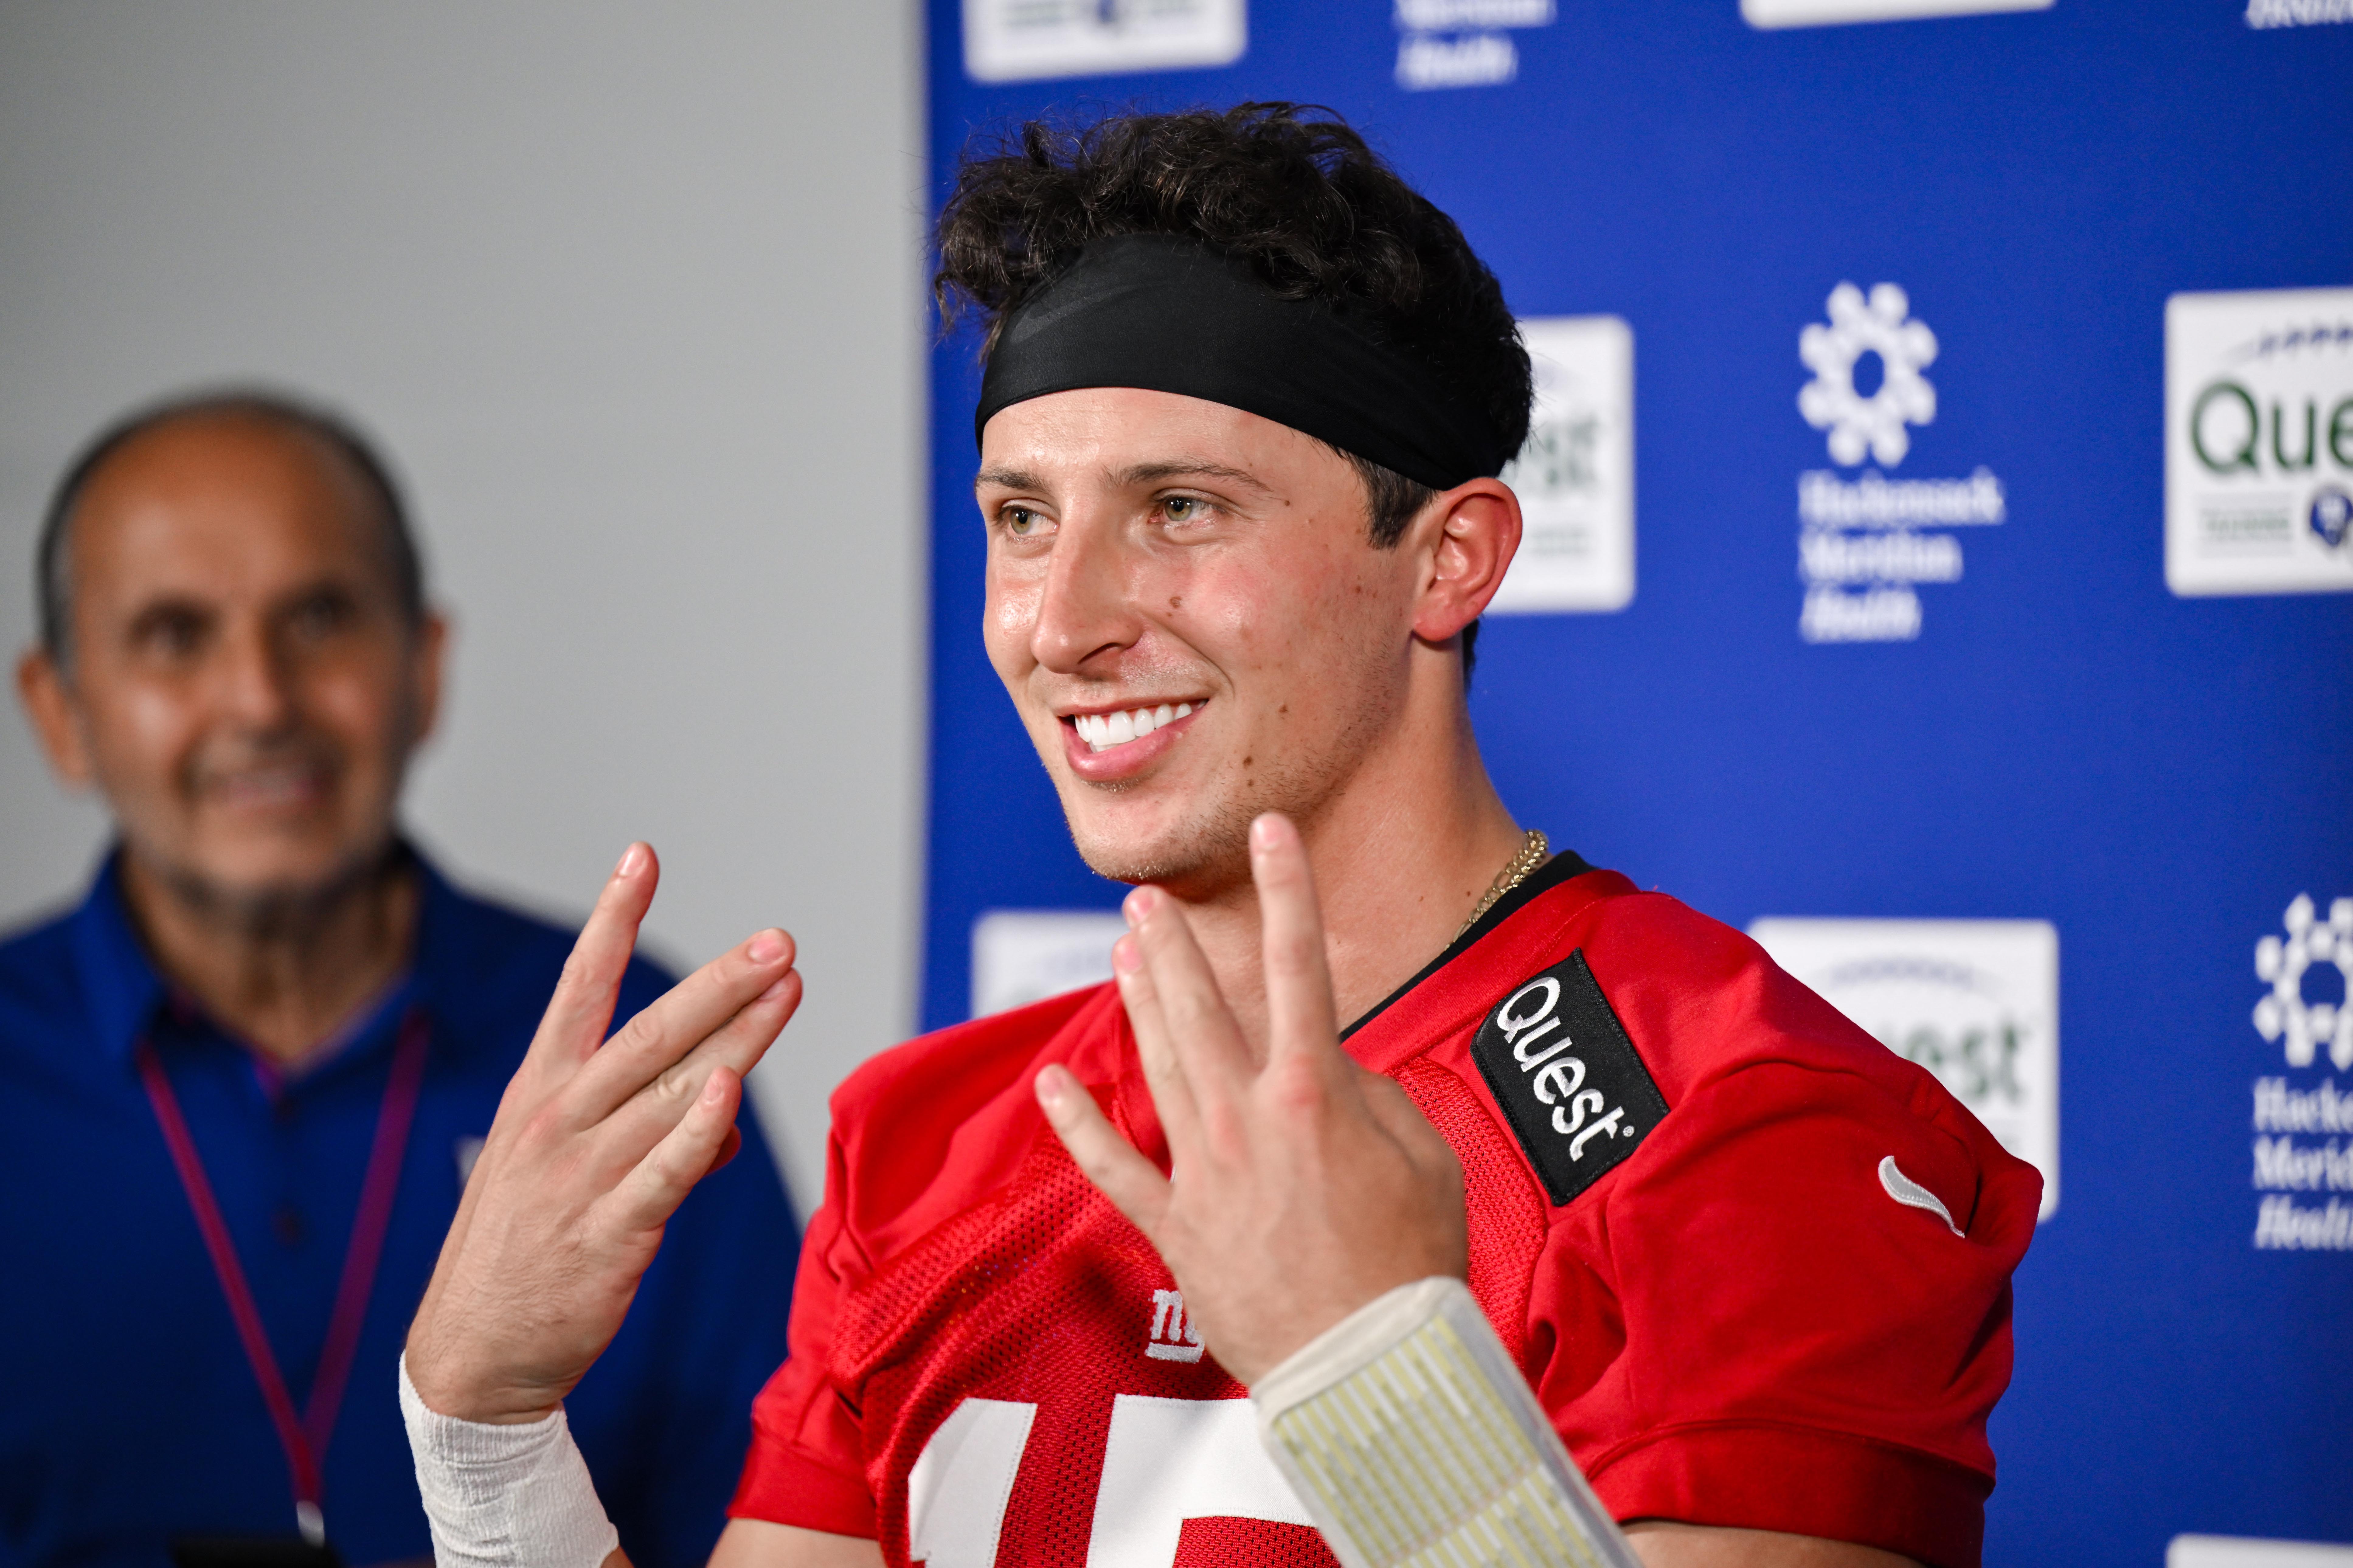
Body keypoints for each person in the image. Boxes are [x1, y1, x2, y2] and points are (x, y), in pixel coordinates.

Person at [400, 104, 2040, 1568]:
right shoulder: (932, 1135)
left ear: (1447, 560)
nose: (1060, 620)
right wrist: (483, 1438)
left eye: (1180, 509)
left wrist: (1392, 1392)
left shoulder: (1744, 1129)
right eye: (1019, 518)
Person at [0, 392, 801, 1568]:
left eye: (320, 618)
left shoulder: (622, 1056)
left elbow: (760, 1524)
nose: (262, 701)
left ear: (423, 667)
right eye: (175, 636)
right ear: (61, 713)